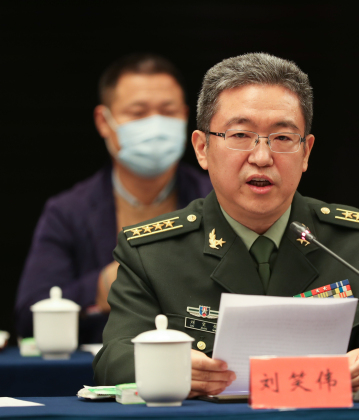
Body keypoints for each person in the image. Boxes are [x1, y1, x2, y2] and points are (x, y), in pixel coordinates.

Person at [93, 53, 359, 396]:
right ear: (202, 148)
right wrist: (166, 367)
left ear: (306, 152)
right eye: (240, 135)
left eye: (282, 138)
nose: (262, 158)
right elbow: (113, 359)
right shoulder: (151, 253)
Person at [15, 53, 213, 343]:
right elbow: (28, 315)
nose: (155, 125)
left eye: (168, 111)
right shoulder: (68, 211)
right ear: (103, 121)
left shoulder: (217, 199)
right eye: (138, 113)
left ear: (185, 116)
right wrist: (100, 287)